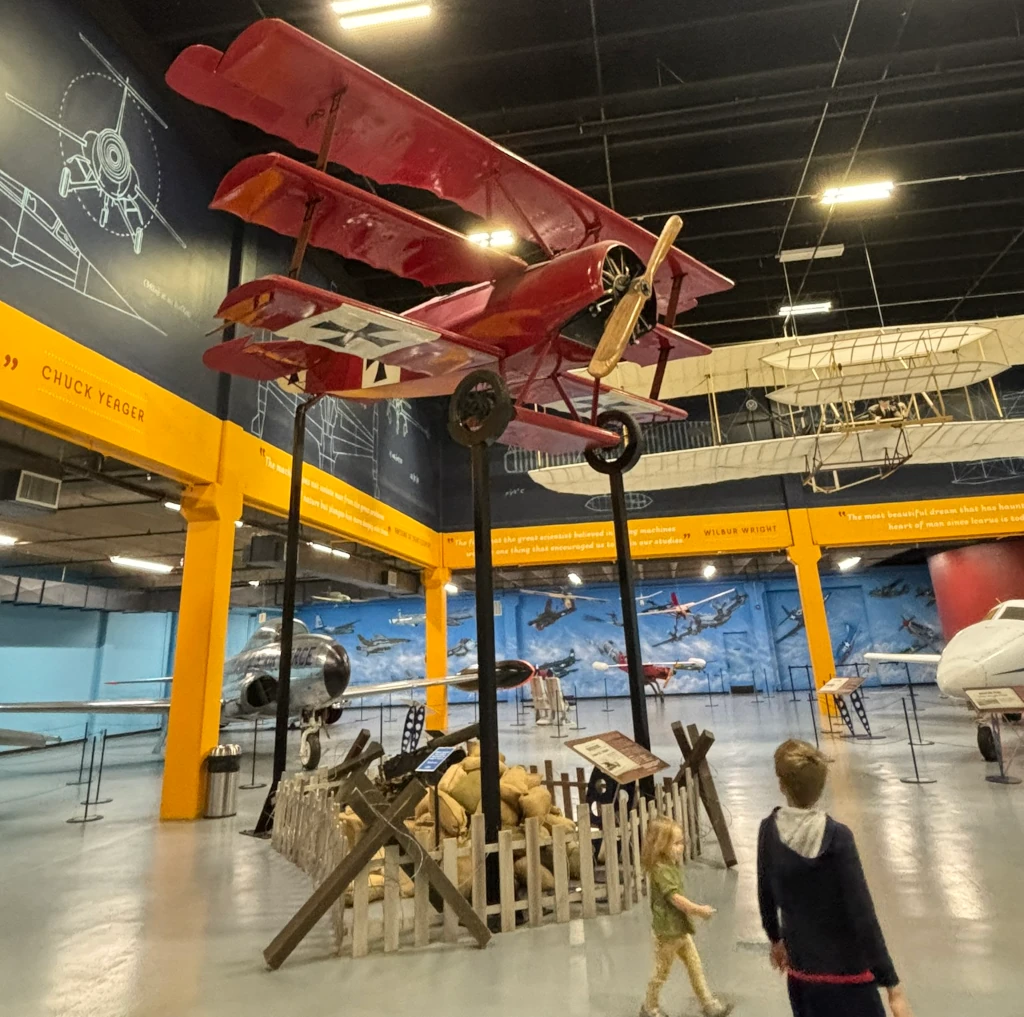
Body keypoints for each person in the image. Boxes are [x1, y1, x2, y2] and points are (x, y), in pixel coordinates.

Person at [757, 740, 913, 1017]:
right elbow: (862, 912)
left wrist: (775, 939)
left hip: (801, 975)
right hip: (848, 978)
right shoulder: (839, 838)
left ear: (781, 785)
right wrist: (892, 985)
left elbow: (765, 893)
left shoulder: (768, 830)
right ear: (821, 787)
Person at [639, 815, 732, 1017]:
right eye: (676, 844)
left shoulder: (670, 865)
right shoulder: (661, 871)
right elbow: (675, 899)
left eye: (681, 843)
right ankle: (649, 1006)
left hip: (679, 928)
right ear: (661, 845)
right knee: (661, 971)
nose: (680, 848)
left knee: (695, 966)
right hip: (668, 932)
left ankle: (707, 1002)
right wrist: (699, 910)